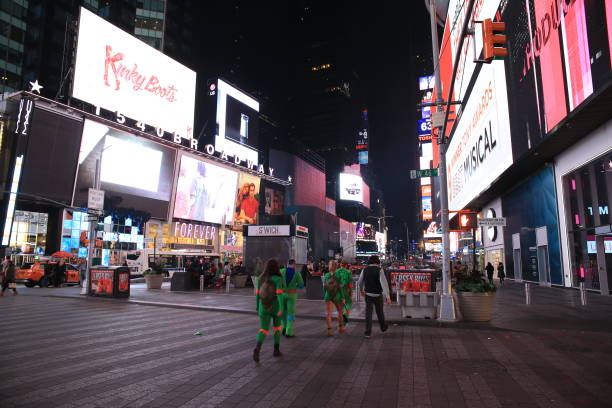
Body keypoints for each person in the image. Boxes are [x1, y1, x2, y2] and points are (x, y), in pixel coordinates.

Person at [253, 259, 285, 363]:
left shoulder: (261, 278)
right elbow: (279, 293)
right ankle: (276, 350)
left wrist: (257, 307)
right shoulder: (278, 278)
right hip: (275, 306)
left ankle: (258, 348)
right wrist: (281, 308)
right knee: (277, 328)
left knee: (263, 329)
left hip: (263, 306)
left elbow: (258, 294)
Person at [357, 255, 390, 339]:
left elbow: (360, 282)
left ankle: (367, 333)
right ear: (377, 261)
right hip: (378, 294)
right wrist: (388, 296)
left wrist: (361, 290)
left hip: (368, 294)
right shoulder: (379, 270)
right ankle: (383, 327)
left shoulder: (364, 270)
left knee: (368, 314)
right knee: (380, 312)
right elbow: (384, 284)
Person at [281, 259, 304, 337]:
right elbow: (301, 285)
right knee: (290, 313)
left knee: (283, 312)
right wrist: (295, 286)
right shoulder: (297, 273)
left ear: (287, 264)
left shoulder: (281, 271)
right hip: (292, 295)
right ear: (294, 264)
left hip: (282, 294)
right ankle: (289, 331)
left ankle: (283, 327)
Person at [323, 260, 347, 336]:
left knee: (328, 313)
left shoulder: (326, 275)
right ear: (336, 266)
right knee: (340, 311)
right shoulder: (339, 275)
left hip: (328, 295)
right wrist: (343, 297)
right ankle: (341, 327)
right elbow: (340, 288)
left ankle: (329, 330)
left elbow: (325, 287)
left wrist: (325, 295)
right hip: (337, 296)